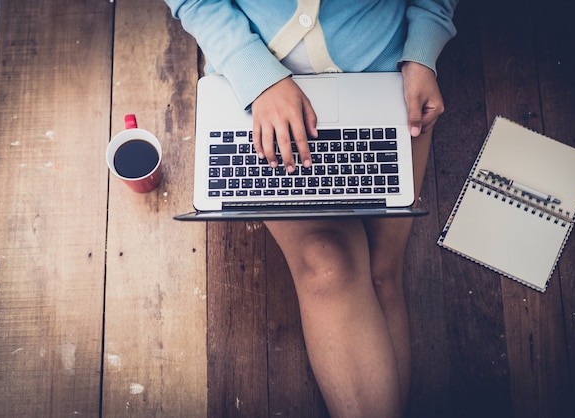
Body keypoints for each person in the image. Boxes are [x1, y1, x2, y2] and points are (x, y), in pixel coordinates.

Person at [165, 1, 458, 416]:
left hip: (384, 82)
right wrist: (257, 77)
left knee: (383, 273)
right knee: (327, 264)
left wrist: (422, 51)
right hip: (255, 84)